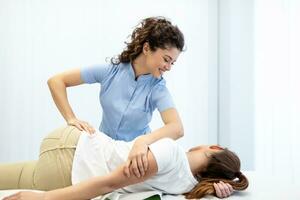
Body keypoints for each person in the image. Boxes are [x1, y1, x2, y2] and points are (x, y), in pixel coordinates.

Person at [47, 16, 185, 178]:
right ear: (147, 48)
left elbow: (177, 128)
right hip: (101, 154)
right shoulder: (110, 71)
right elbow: (56, 81)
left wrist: (143, 141)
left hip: (135, 159)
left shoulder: (158, 88)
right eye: (166, 59)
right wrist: (71, 118)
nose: (168, 67)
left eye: (172, 63)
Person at [0, 126, 249, 200]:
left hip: (71, 153)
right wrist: (217, 189)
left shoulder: (170, 152)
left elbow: (108, 183)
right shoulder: (184, 186)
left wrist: (40, 199)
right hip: (69, 163)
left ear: (215, 148)